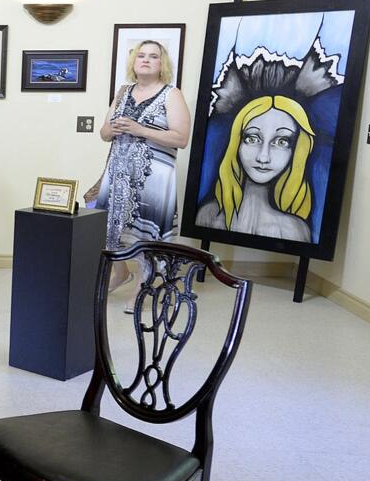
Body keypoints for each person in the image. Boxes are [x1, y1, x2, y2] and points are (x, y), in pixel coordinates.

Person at [94, 40, 191, 293]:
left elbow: (181, 138)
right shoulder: (123, 92)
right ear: (133, 62)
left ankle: (143, 285)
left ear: (162, 64)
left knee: (146, 232)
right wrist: (110, 129)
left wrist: (140, 130)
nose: (146, 60)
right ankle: (121, 272)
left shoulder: (172, 94)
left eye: (153, 56)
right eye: (141, 56)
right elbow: (103, 134)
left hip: (154, 178)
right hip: (118, 175)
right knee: (110, 228)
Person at [194, 95, 313, 241]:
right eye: (252, 139)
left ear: (296, 150)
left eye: (282, 141)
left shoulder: (295, 230)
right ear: (237, 143)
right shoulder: (208, 215)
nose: (263, 157)